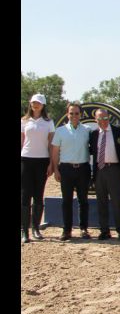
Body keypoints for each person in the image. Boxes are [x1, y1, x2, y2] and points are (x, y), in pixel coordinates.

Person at [51, 102, 92, 241]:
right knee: (66, 201)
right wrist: (56, 169)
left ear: (80, 114)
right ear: (67, 114)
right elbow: (55, 152)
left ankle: (83, 229)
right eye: (71, 113)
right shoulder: (60, 131)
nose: (74, 116)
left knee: (83, 201)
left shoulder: (87, 130)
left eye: (76, 113)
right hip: (66, 169)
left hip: (83, 168)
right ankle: (67, 230)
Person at [89, 108, 120, 240]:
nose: (103, 121)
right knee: (101, 202)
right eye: (99, 119)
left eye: (105, 118)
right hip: (100, 170)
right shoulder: (94, 134)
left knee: (118, 202)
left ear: (109, 118)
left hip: (115, 169)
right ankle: (104, 230)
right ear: (96, 120)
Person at [21, 94, 56, 243]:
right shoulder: (24, 121)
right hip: (25, 160)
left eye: (39, 103)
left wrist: (51, 163)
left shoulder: (48, 122)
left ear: (43, 105)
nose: (36, 105)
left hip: (42, 161)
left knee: (38, 195)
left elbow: (50, 144)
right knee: (24, 196)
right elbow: (22, 141)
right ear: (30, 104)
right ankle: (24, 231)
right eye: (34, 103)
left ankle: (35, 228)